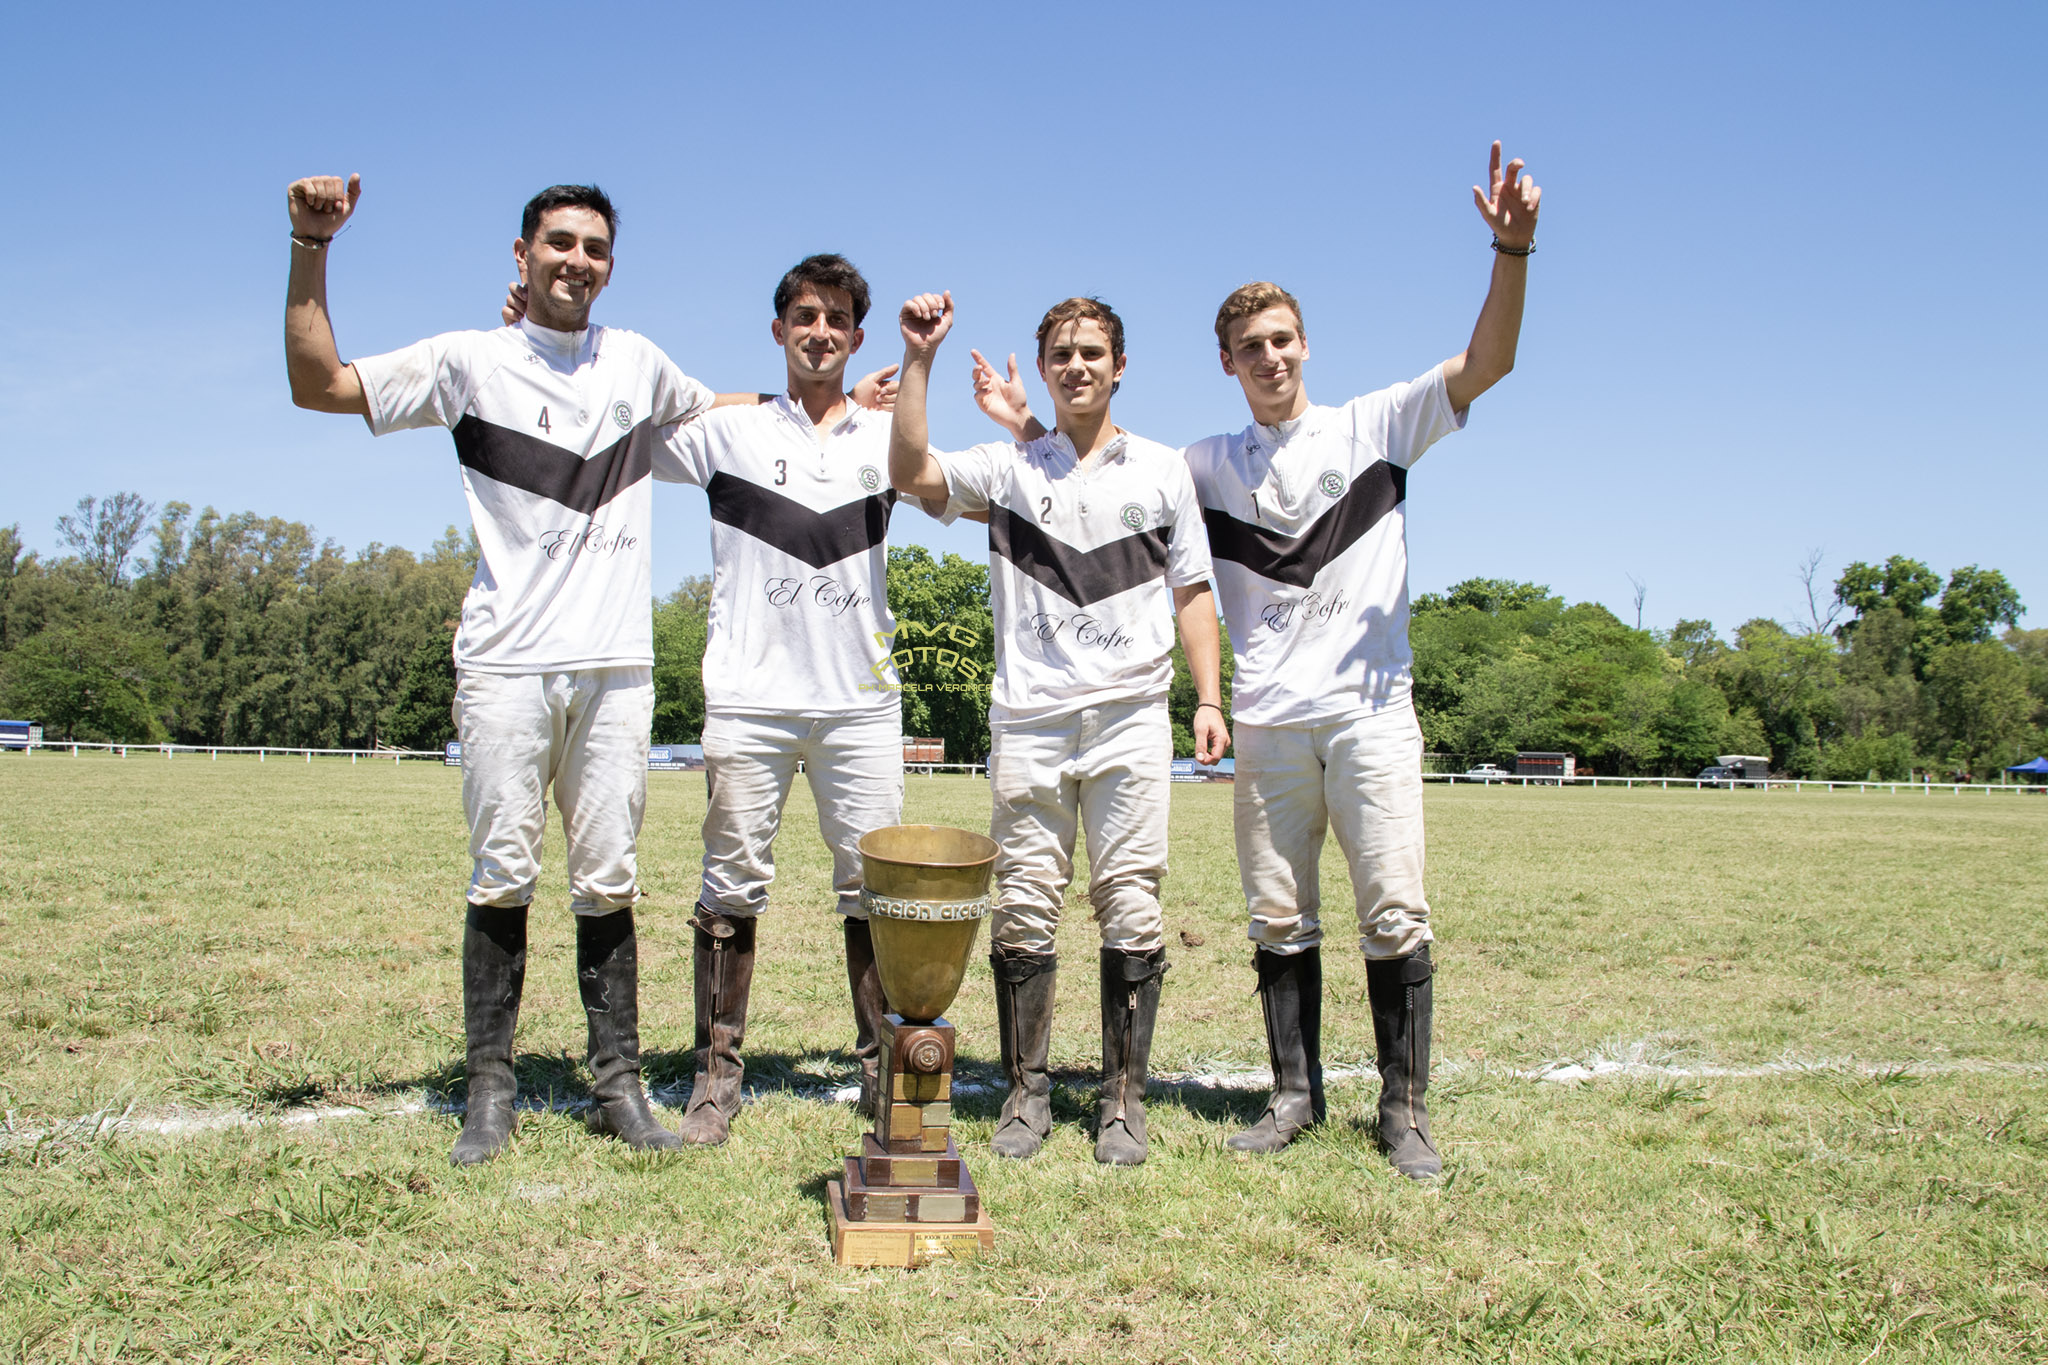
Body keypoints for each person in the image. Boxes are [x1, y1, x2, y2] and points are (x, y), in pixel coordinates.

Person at [284, 173, 755, 1164]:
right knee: (503, 874)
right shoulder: (467, 361)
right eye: (558, 243)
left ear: (610, 265)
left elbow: (723, 413)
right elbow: (317, 383)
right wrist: (310, 245)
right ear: (521, 255)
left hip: (617, 671)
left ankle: (615, 1088)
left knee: (607, 880)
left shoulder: (637, 362)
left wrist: (833, 402)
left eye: (593, 247)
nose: (575, 260)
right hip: (505, 666)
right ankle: (488, 1093)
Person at [506, 255, 936, 1144]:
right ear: (779, 330)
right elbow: (607, 426)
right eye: (805, 317)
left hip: (860, 701)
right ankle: (716, 1072)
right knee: (731, 886)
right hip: (749, 697)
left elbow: (933, 480)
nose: (822, 332)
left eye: (837, 321)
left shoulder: (887, 440)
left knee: (873, 890)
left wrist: (910, 380)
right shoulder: (721, 435)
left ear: (858, 338)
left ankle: (877, 1068)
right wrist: (533, 344)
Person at [1190, 142, 1542, 1179]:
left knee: (1391, 908)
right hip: (1266, 723)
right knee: (1275, 914)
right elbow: (1102, 475)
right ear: (1226, 362)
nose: (1270, 357)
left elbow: (1488, 365)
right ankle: (1294, 1097)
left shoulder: (1375, 426)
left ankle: (1401, 1111)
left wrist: (1509, 249)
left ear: (1306, 343)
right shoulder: (1203, 466)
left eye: (1283, 339)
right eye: (1250, 345)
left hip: (1370, 714)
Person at [888, 292, 1228, 1166]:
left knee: (1131, 901)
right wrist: (919, 362)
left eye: (1093, 352)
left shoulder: (1162, 471)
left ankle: (1121, 1100)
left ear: (1120, 365)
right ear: (1044, 370)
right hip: (1031, 722)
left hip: (1129, 719)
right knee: (1025, 906)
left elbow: (1193, 591)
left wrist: (1209, 699)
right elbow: (910, 472)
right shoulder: (1009, 470)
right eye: (1062, 354)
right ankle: (1026, 1093)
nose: (1078, 365)